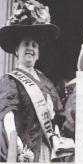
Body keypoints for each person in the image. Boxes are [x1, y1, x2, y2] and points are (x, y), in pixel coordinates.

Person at [0, 0, 67, 162]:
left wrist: (58, 141)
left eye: (34, 45)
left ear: (38, 53)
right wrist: (14, 142)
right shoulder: (10, 80)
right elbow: (7, 114)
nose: (30, 48)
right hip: (24, 147)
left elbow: (56, 118)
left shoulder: (47, 82)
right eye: (26, 44)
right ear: (17, 50)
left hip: (46, 149)